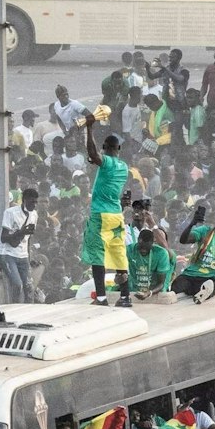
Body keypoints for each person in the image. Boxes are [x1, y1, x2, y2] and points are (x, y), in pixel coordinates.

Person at [81, 116, 132, 307]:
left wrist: (89, 128)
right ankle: (125, 297)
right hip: (116, 215)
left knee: (97, 254)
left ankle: (101, 298)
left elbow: (94, 155)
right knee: (119, 254)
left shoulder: (108, 162)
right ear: (118, 149)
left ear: (105, 148)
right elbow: (96, 160)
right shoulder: (123, 167)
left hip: (101, 215)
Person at [0, 186, 39, 305]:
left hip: (23, 255)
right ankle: (14, 309)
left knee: (29, 287)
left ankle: (28, 311)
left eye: (36, 202)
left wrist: (30, 257)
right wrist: (21, 232)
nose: (34, 205)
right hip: (7, 254)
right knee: (17, 285)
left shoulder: (34, 215)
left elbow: (29, 239)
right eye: (32, 202)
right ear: (24, 199)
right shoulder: (10, 213)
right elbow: (3, 238)